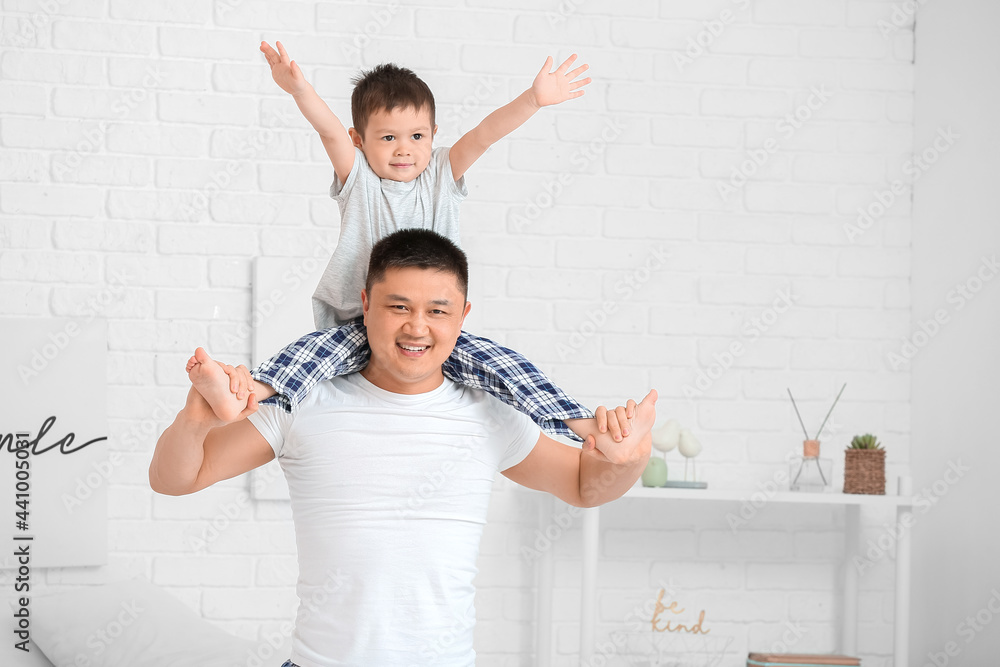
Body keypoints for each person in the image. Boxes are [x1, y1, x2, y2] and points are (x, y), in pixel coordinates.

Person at [150, 229, 658, 666]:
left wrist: (627, 457)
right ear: (366, 305)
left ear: (463, 315)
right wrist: (193, 420)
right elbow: (176, 479)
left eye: (438, 310)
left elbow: (583, 486)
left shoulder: (488, 412)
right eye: (399, 307)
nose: (417, 327)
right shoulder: (302, 404)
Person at [189, 40, 619, 447]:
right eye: (387, 137)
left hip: (431, 324)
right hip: (359, 322)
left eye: (417, 136)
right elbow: (329, 132)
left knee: (501, 364)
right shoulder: (359, 182)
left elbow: (485, 134)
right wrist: (299, 89)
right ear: (361, 140)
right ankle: (245, 392)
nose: (404, 150)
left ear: (433, 135)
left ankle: (580, 425)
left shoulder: (442, 176)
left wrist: (534, 98)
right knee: (310, 356)